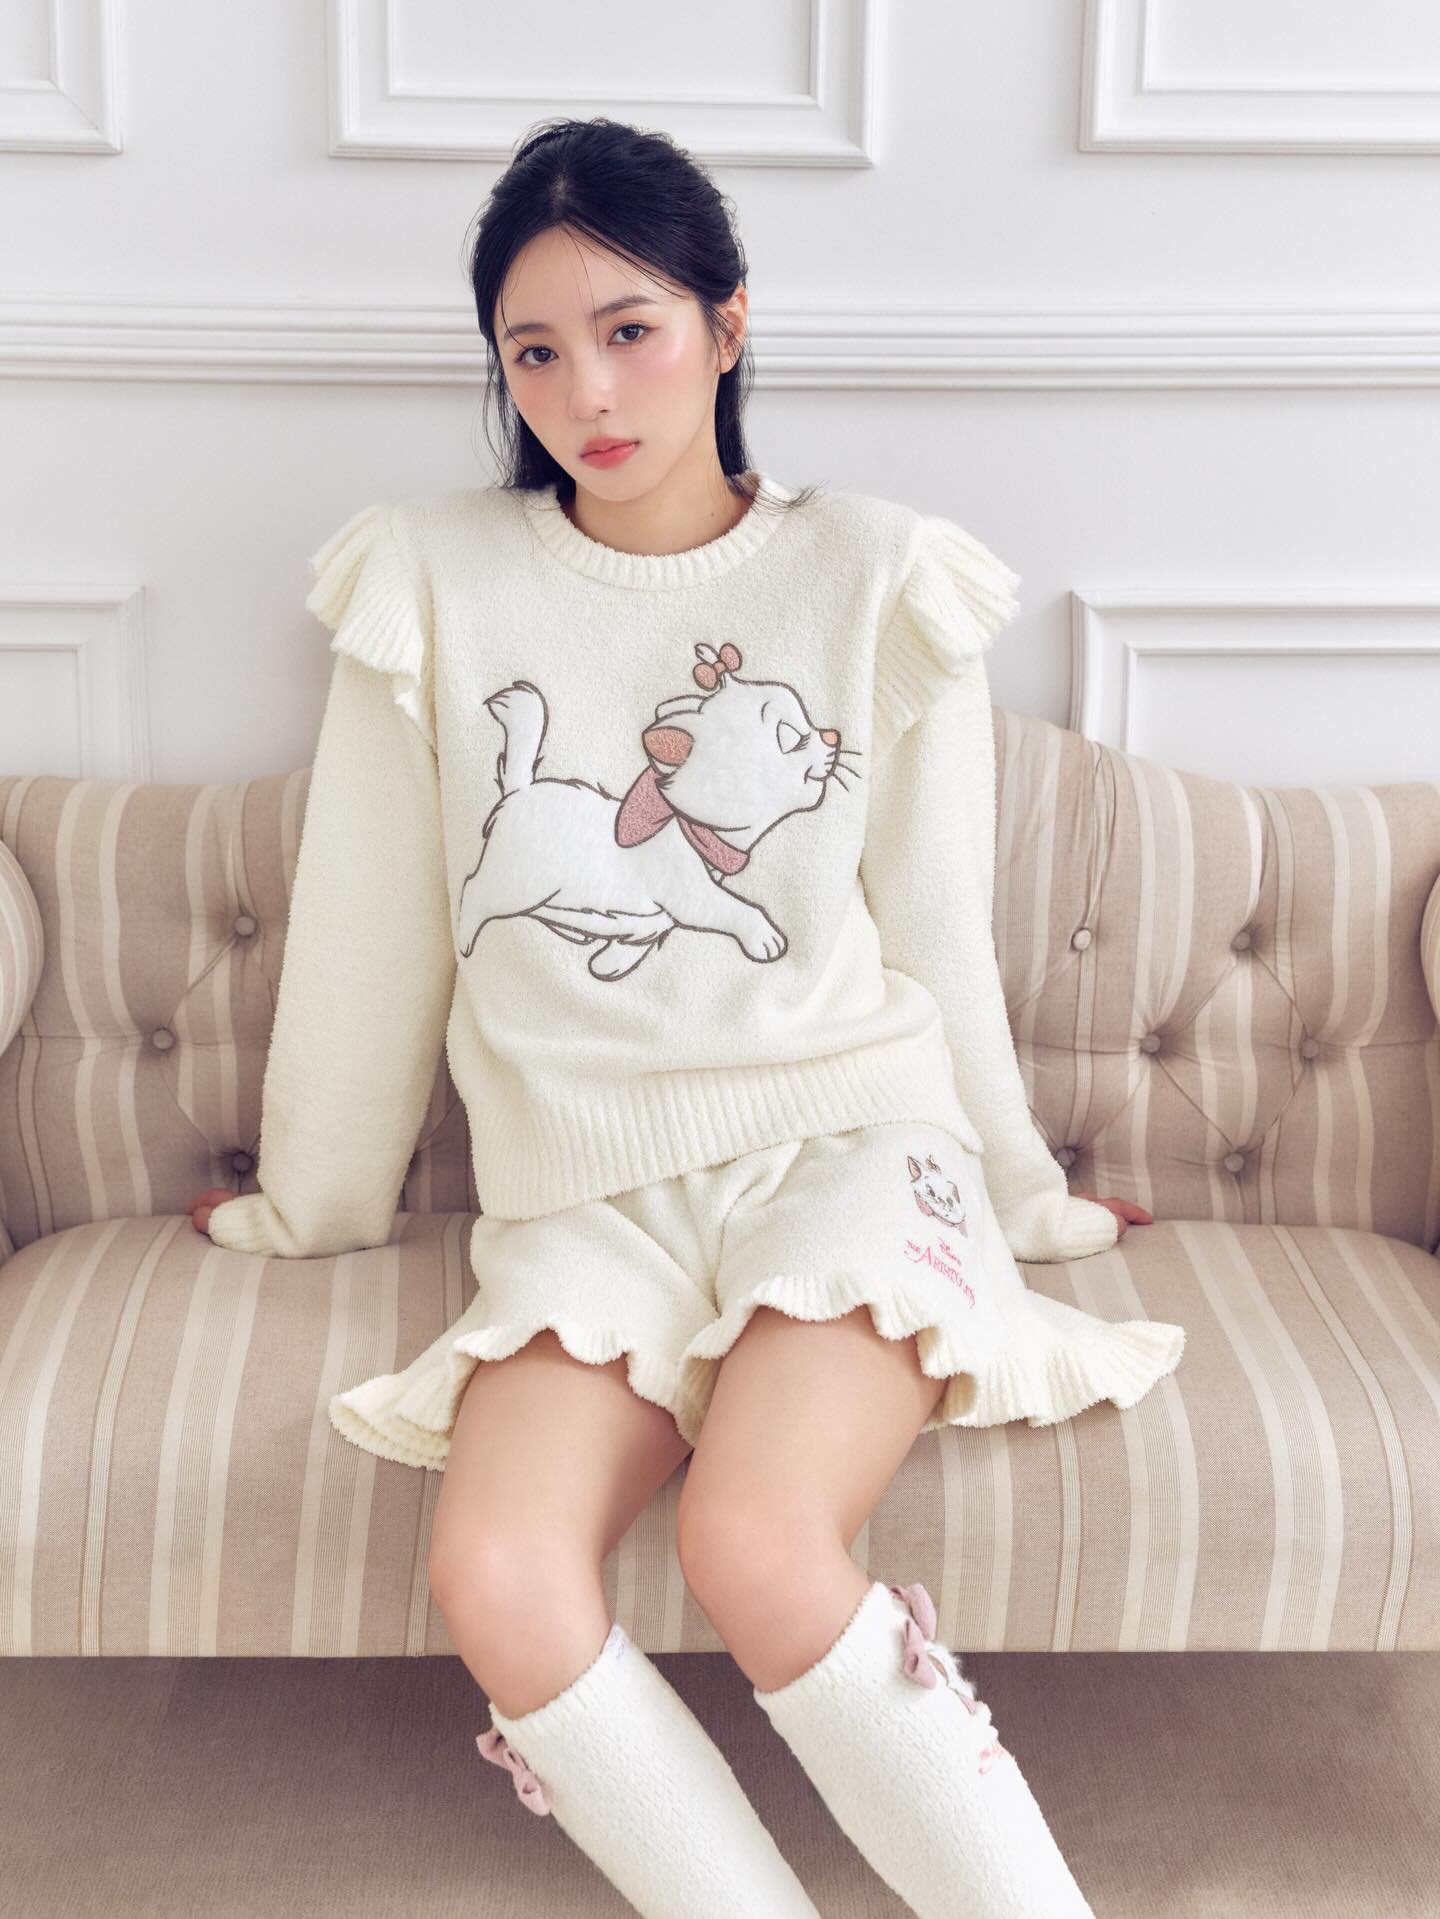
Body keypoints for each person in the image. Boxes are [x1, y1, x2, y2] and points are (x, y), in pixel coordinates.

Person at [192, 116, 1184, 1919]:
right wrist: (310, 1204)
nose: (585, 390)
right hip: (586, 1201)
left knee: (753, 1532)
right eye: (533, 351)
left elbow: (935, 935)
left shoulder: (875, 571)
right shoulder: (432, 581)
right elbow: (368, 941)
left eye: (629, 329)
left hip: (847, 1146)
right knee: (498, 1571)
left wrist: (1024, 1198)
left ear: (729, 323)